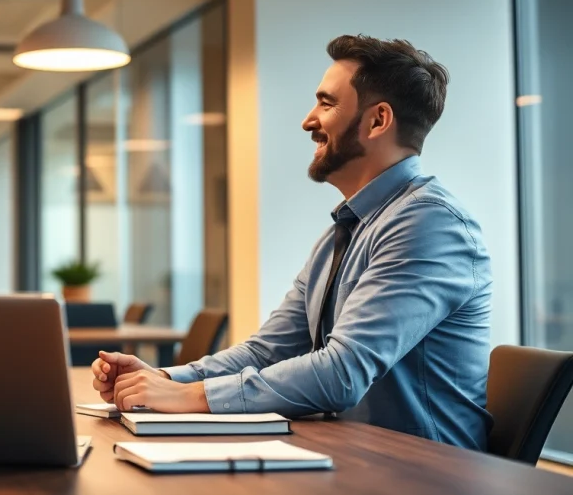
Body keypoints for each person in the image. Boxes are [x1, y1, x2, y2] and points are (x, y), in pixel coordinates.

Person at [92, 35, 493, 451]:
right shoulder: (345, 231)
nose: (308, 120)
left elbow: (342, 373)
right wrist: (165, 379)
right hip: (358, 456)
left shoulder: (430, 224)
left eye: (326, 104)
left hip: (426, 469)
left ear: (378, 121)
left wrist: (192, 396)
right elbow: (267, 351)